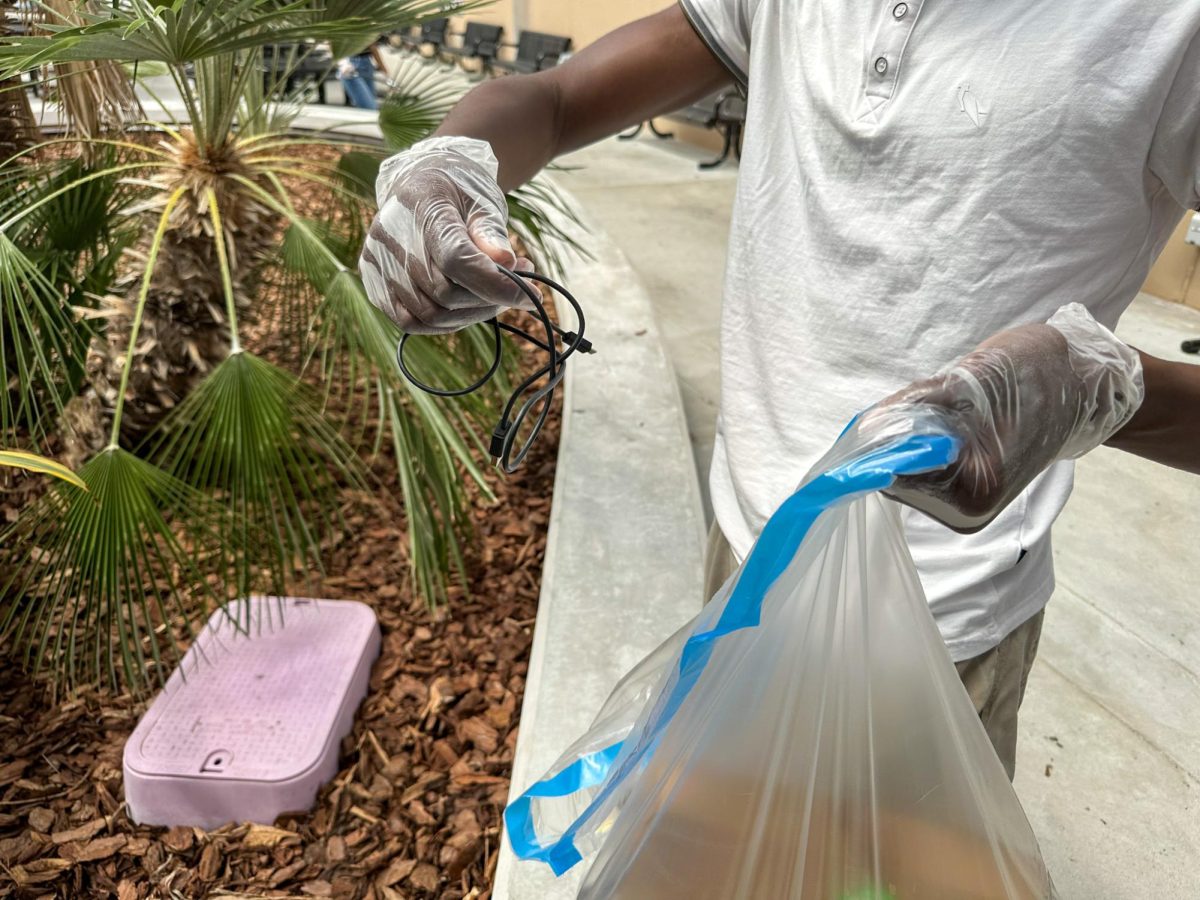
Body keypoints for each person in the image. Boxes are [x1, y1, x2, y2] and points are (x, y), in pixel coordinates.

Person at [356, 3, 1200, 778]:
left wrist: (1111, 387)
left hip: (942, 630)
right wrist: (446, 164)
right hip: (745, 554)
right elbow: (562, 99)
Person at [337, 43, 384, 110]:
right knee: (369, 108)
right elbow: (331, 41)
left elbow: (372, 44)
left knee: (371, 106)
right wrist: (343, 63)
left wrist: (383, 69)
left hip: (366, 62)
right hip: (349, 65)